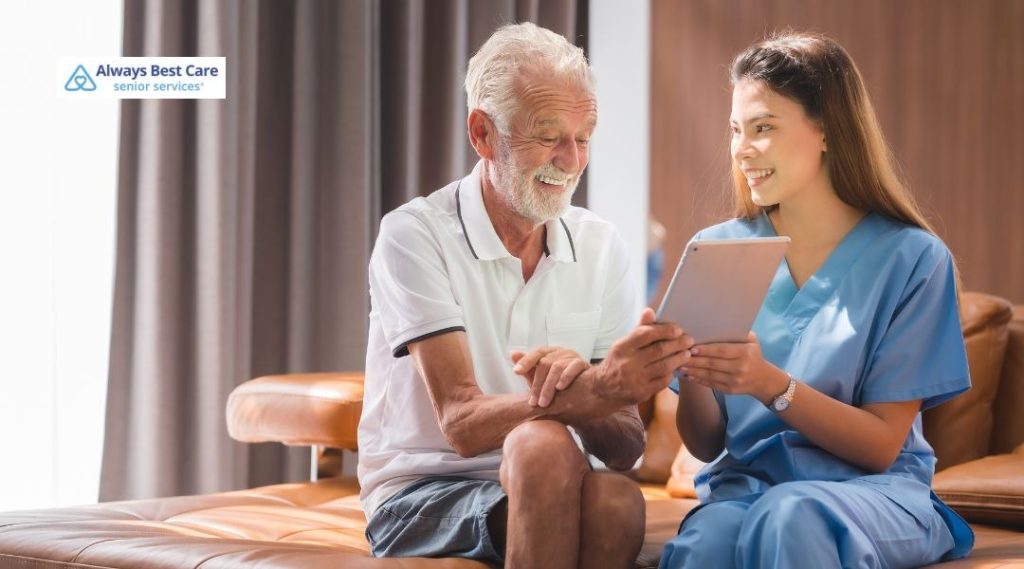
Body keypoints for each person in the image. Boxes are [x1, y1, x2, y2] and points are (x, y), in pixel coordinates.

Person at [358, 22, 693, 569]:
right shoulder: (414, 234)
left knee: (615, 500)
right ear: (483, 134)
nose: (572, 160)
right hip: (421, 493)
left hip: (555, 478)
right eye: (548, 135)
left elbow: (626, 448)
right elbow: (461, 424)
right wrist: (591, 389)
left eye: (583, 137)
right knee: (542, 444)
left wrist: (592, 387)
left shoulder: (602, 245)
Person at [659, 32, 975, 568]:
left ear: (826, 128)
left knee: (791, 515)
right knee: (706, 544)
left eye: (763, 128)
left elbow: (880, 446)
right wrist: (691, 368)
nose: (740, 148)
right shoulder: (718, 251)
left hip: (874, 494)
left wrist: (768, 384)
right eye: (736, 130)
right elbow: (707, 443)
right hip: (748, 490)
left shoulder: (914, 259)